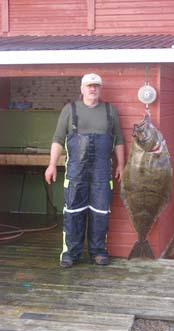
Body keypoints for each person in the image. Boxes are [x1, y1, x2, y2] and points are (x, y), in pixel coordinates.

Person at [45, 73, 125, 268]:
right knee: (73, 211)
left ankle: (98, 252)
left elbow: (119, 141)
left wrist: (121, 164)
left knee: (100, 212)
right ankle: (71, 253)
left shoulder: (109, 111)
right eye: (89, 86)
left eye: (96, 86)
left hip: (102, 173)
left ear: (100, 89)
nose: (93, 89)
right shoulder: (69, 110)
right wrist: (51, 164)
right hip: (75, 174)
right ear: (82, 89)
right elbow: (57, 139)